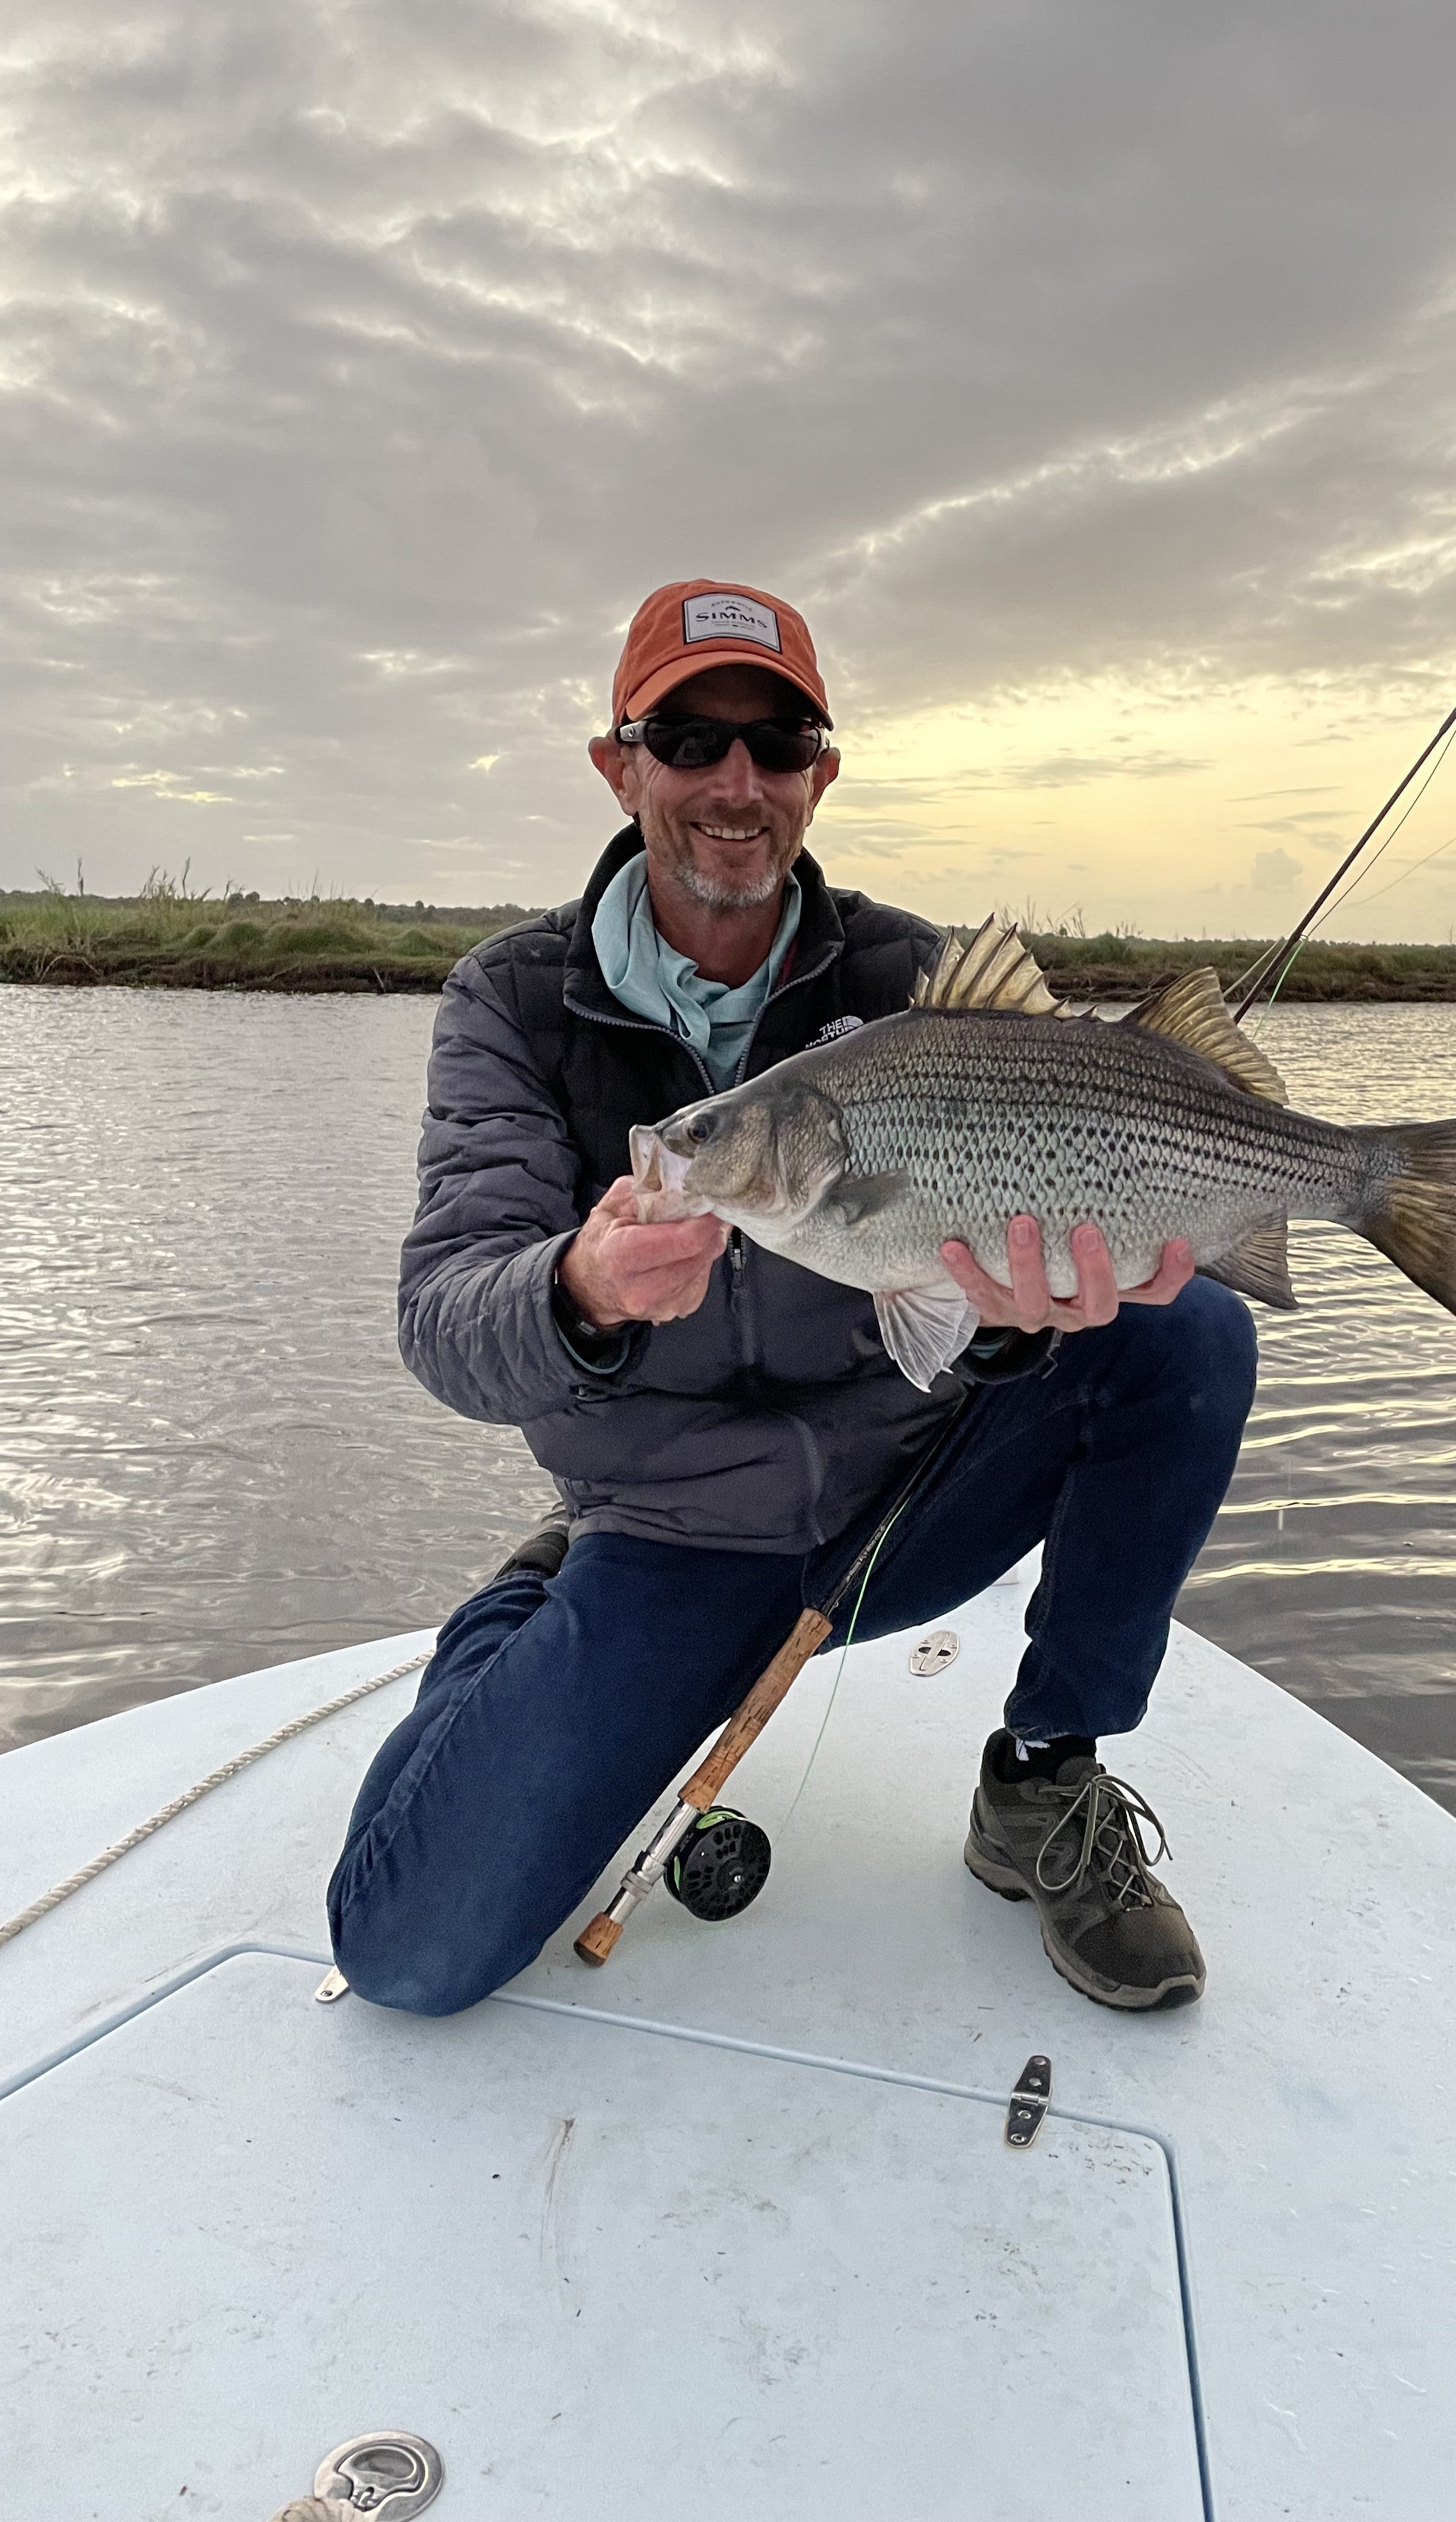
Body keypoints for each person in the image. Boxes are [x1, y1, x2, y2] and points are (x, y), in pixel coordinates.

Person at [328, 579, 1256, 2017]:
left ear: (821, 772)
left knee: (1187, 1330)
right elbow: (446, 1318)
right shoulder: (510, 1002)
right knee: (407, 1948)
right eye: (689, 739)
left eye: (778, 742)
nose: (734, 782)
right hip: (672, 1533)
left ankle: (1043, 1779)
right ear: (619, 765)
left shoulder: (914, 982)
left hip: (907, 1498)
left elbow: (991, 1264)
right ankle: (525, 1606)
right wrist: (577, 1288)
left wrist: (1023, 1318)